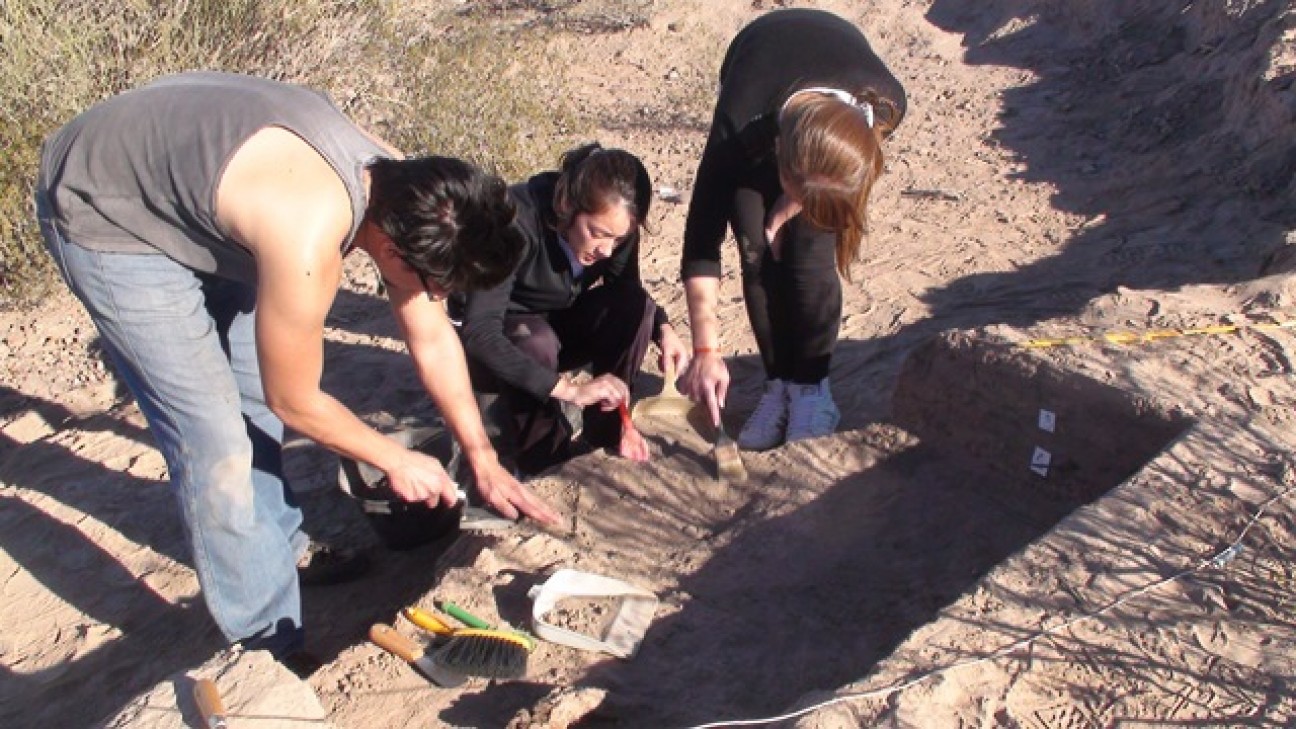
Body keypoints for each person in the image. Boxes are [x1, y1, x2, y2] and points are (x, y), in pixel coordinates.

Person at [34, 71, 561, 670]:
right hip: (105, 209)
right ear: (391, 251)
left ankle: (279, 547)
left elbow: (432, 334)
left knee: (251, 391)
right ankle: (266, 645)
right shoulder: (308, 235)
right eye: (440, 284)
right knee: (214, 439)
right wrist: (394, 457)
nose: (439, 297)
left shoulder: (411, 194)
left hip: (193, 184)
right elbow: (298, 400)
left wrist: (482, 457)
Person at [678, 8, 907, 450]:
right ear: (780, 155)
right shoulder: (738, 126)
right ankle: (778, 384)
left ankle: (812, 390)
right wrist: (705, 351)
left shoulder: (886, 101)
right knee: (755, 250)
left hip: (819, 131)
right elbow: (701, 236)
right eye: (794, 184)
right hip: (761, 74)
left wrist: (794, 204)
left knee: (809, 255)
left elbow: (844, 171)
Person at [455, 143, 689, 476]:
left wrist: (663, 329)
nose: (607, 250)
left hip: (553, 325)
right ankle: (544, 455)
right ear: (567, 205)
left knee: (635, 308)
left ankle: (607, 430)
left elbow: (625, 291)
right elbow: (479, 332)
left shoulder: (616, 233)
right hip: (496, 344)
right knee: (535, 340)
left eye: (619, 239)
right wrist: (568, 390)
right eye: (597, 234)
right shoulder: (511, 222)